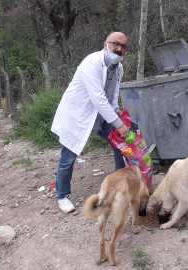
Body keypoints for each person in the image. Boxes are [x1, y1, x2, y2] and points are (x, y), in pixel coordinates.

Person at [51, 32, 130, 213]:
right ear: (105, 44)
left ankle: (118, 185)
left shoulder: (118, 68)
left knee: (120, 144)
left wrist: (116, 110)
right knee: (68, 157)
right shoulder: (92, 63)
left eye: (123, 46)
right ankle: (62, 196)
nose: (119, 49)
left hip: (102, 114)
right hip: (79, 114)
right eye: (115, 44)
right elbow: (98, 99)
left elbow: (112, 95)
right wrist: (119, 124)